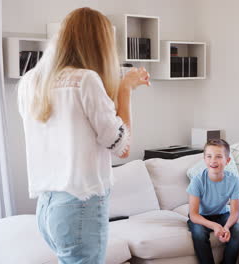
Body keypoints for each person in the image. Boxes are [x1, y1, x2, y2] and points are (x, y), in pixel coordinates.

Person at [17, 7, 150, 263]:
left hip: (47, 208)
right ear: (101, 44)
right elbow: (121, 146)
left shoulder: (31, 81)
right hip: (80, 206)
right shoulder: (85, 80)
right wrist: (126, 90)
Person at [186, 139, 239, 264]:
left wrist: (227, 227)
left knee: (238, 233)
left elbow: (234, 213)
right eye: (209, 156)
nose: (213, 160)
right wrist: (215, 226)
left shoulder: (233, 180)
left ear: (227, 161)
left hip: (222, 214)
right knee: (199, 234)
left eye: (218, 156)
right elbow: (193, 215)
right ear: (204, 159)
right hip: (200, 217)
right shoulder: (198, 180)